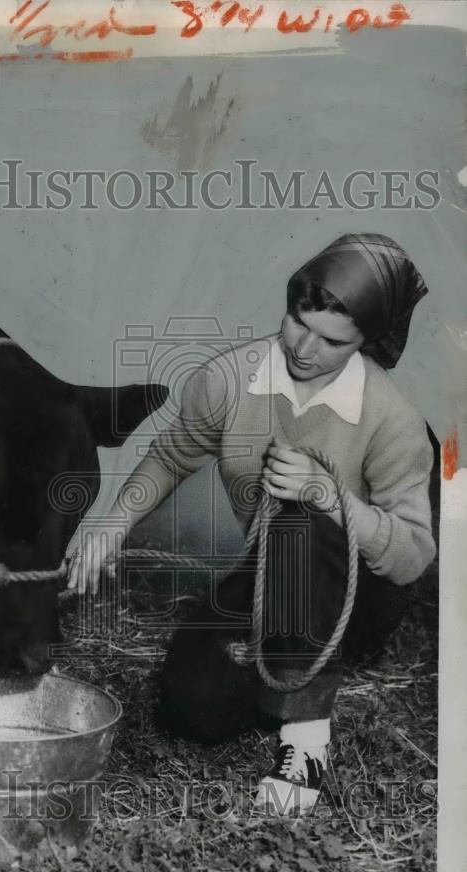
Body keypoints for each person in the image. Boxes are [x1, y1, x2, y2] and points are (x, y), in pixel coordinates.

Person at [68, 233, 436, 815]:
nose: (305, 348)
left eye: (333, 340)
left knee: (299, 514)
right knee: (191, 706)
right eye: (297, 321)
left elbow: (414, 554)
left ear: (367, 340)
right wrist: (113, 523)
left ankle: (306, 741)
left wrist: (328, 493)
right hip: (274, 578)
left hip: (360, 598)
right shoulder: (229, 378)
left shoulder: (392, 418)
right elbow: (171, 455)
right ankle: (280, 685)